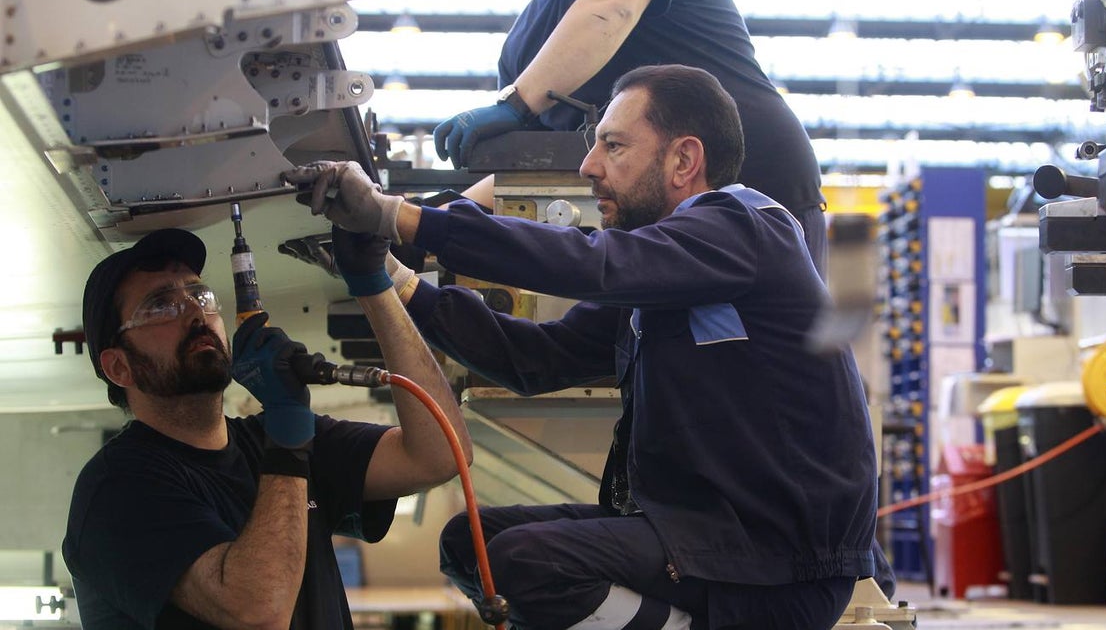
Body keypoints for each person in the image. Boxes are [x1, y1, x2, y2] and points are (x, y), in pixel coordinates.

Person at [286, 64, 878, 630]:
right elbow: (535, 360)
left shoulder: (747, 227)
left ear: (684, 159)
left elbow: (595, 263)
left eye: (614, 147)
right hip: (711, 538)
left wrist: (398, 215)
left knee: (531, 562)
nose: (590, 167)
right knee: (473, 545)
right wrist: (394, 276)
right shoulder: (665, 279)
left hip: (777, 562)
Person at [62, 225, 471, 629]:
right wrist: (288, 437)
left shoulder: (271, 440)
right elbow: (258, 611)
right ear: (119, 366)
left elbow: (439, 455)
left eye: (199, 294)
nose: (194, 313)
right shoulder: (116, 489)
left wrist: (377, 285)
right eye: (160, 306)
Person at [431, 0, 829, 274]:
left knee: (770, 333)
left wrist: (517, 103)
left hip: (756, 187)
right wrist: (432, 218)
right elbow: (537, 167)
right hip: (648, 221)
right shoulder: (525, 49)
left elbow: (611, 9)